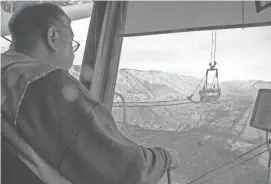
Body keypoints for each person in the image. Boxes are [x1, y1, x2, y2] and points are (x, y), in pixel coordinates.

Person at [1, 2, 180, 184]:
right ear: (52, 37)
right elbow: (125, 171)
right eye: (71, 42)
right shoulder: (45, 81)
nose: (72, 54)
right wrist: (165, 158)